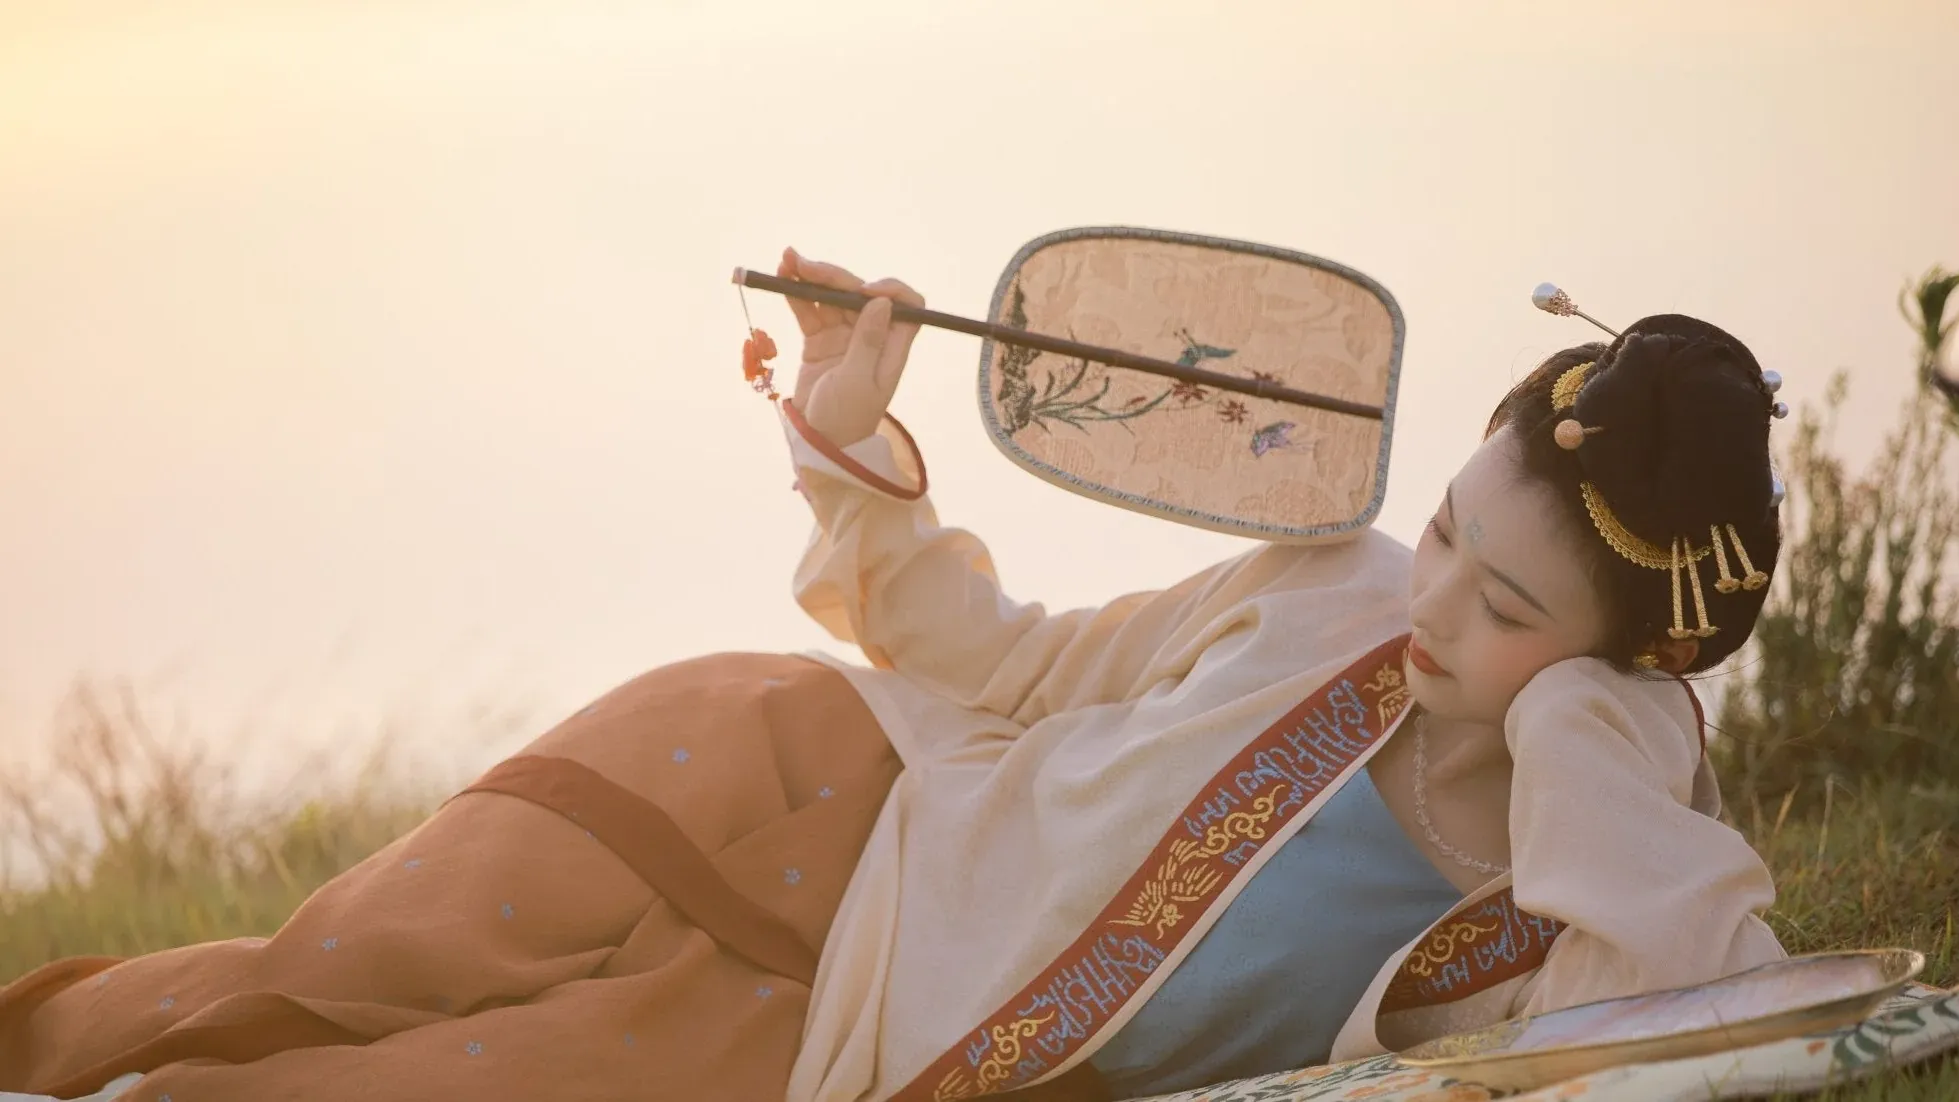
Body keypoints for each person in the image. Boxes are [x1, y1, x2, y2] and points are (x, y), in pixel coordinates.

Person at [0, 250, 1789, 1102]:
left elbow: (1704, 1017)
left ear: (1628, 672)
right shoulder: (1333, 590)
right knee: (311, 974)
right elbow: (1013, 665)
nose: (1434, 603)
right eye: (1450, 528)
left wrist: (1587, 731)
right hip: (799, 766)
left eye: (1506, 608)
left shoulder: (1545, 908)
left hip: (825, 1036)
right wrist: (856, 457)